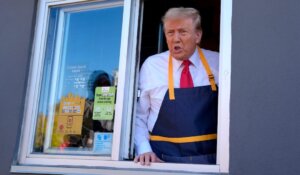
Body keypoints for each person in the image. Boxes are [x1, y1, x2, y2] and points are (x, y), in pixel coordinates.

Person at [134, 7, 219, 165]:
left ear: (198, 35)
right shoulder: (151, 66)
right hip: (162, 160)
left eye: (183, 32)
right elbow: (139, 116)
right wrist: (144, 149)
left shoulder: (219, 62)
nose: (176, 39)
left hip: (212, 162)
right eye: (170, 33)